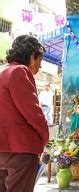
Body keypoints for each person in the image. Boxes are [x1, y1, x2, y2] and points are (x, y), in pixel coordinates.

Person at [0, 35, 49, 192]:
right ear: (31, 56)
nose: (38, 68)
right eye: (39, 62)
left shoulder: (3, 71)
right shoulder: (19, 71)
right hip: (20, 148)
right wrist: (43, 139)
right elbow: (33, 113)